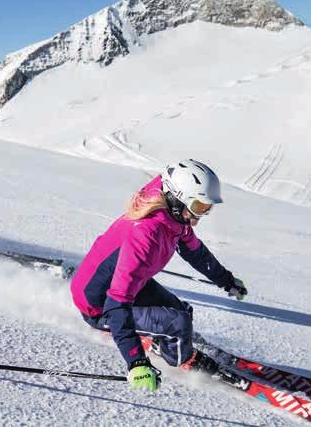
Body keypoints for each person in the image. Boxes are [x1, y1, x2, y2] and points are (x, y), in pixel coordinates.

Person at [70, 159, 248, 393]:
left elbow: (195, 251)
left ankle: (171, 341)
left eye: (207, 208)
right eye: (198, 207)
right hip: (99, 305)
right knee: (178, 322)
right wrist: (136, 362)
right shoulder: (145, 235)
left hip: (130, 286)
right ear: (176, 197)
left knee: (182, 311)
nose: (200, 216)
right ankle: (182, 360)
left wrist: (225, 280)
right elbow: (117, 303)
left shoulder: (173, 218)